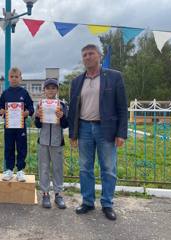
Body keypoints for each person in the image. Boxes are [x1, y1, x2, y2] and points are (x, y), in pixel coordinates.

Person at [68, 44, 128, 220]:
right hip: (84, 128)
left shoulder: (114, 77)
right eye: (84, 54)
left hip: (106, 130)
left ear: (99, 56)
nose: (87, 57)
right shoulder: (77, 81)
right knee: (85, 168)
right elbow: (73, 109)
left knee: (108, 168)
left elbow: (122, 107)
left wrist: (121, 133)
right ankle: (87, 202)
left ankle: (107, 204)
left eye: (91, 54)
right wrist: (73, 134)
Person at [35, 78, 68, 209]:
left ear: (57, 90)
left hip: (56, 141)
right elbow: (37, 125)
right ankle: (45, 194)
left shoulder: (62, 105)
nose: (50, 90)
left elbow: (66, 125)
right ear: (44, 90)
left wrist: (62, 117)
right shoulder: (40, 104)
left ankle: (58, 194)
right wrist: (37, 116)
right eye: (48, 88)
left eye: (53, 88)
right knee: (43, 168)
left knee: (57, 168)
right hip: (43, 141)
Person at [0, 67, 34, 182]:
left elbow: (31, 107)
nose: (14, 79)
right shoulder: (5, 93)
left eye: (16, 77)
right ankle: (8, 170)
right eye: (12, 77)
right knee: (8, 148)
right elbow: (0, 107)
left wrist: (27, 112)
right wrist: (1, 111)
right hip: (9, 127)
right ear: (8, 78)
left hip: (20, 127)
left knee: (21, 148)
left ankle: (20, 171)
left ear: (20, 78)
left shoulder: (24, 93)